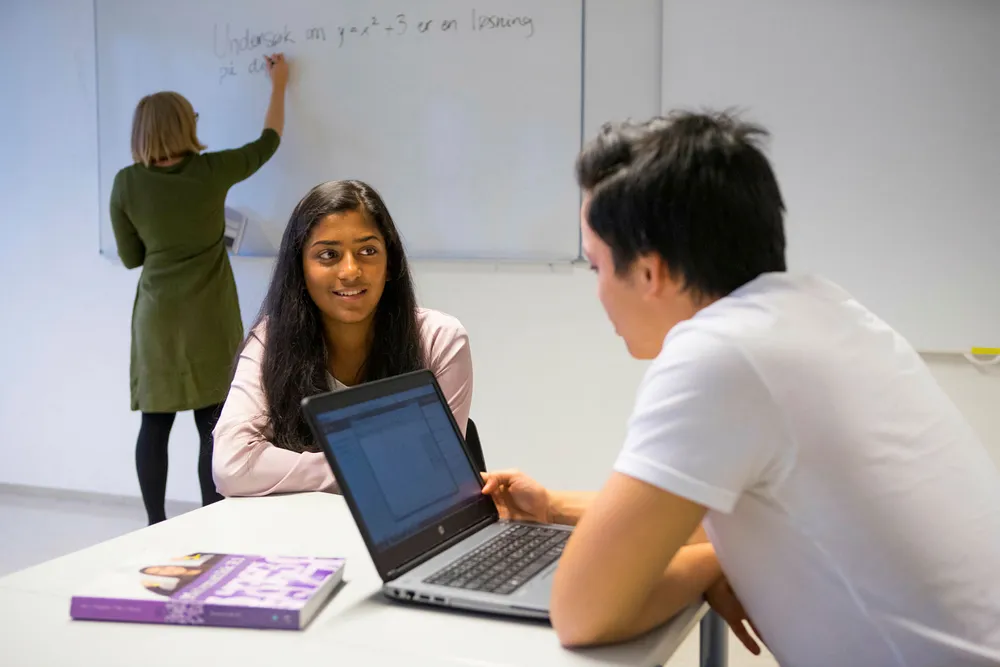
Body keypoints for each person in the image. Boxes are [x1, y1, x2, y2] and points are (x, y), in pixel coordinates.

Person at [481, 111, 1000, 666]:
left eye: (596, 268)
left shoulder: (722, 355)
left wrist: (714, 565)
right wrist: (553, 506)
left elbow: (581, 612)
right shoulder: (821, 311)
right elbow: (706, 512)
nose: (598, 291)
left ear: (651, 272)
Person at [109, 53, 290, 525]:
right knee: (212, 423)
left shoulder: (127, 184)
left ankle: (154, 524)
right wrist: (278, 85)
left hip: (158, 320)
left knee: (155, 423)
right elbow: (268, 141)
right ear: (184, 125)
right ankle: (210, 520)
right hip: (209, 314)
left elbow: (131, 257)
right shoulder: (212, 171)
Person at [212, 179, 473, 497]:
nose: (350, 271)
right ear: (300, 269)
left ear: (390, 262)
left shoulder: (440, 340)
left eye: (368, 251)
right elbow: (231, 464)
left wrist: (302, 470)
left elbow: (438, 473)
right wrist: (365, 468)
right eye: (328, 254)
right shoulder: (270, 341)